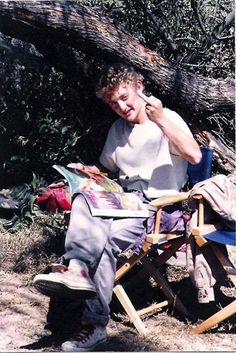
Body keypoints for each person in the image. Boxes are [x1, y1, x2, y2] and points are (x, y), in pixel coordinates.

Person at [33, 63, 201, 351]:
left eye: (124, 97)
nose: (121, 106)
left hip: (156, 209)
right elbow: (107, 169)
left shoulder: (167, 119)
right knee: (83, 197)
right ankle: (77, 269)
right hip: (121, 202)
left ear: (139, 86)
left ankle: (93, 324)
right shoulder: (118, 129)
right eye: (113, 103)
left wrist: (161, 119)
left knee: (102, 240)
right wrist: (85, 171)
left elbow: (195, 156)